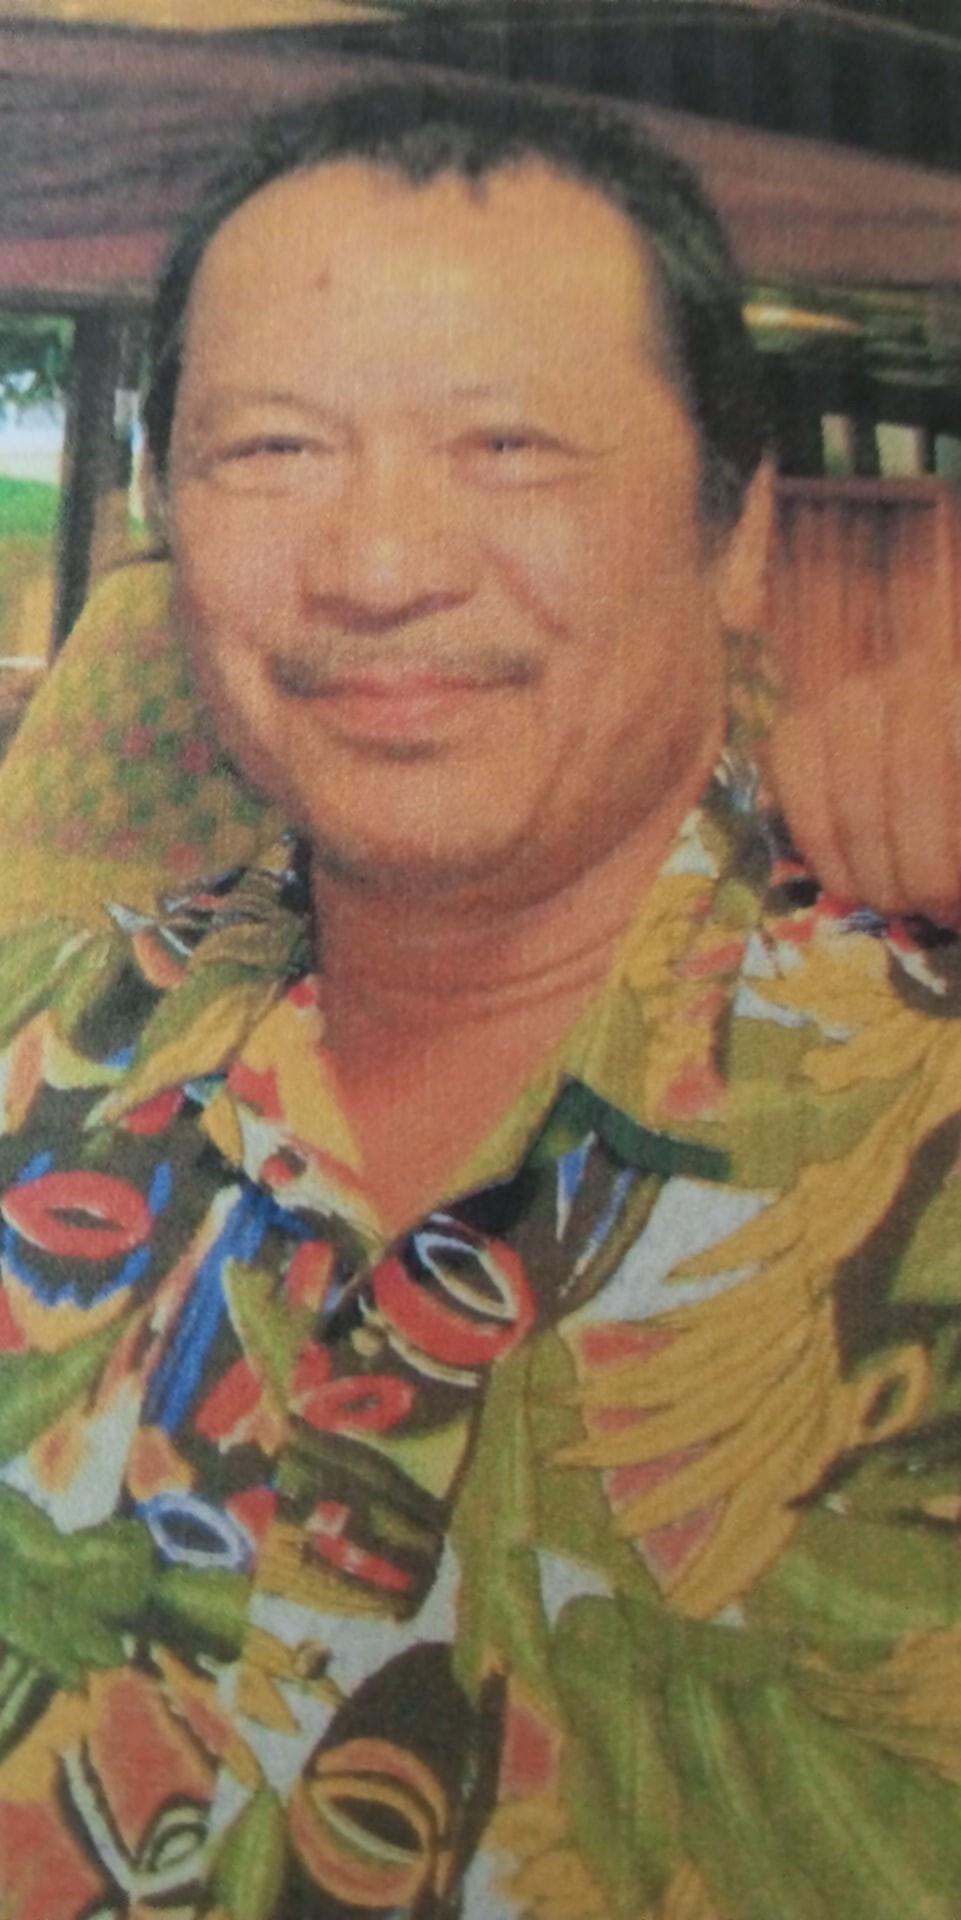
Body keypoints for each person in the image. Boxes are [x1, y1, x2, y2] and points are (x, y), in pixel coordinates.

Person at [0, 75, 959, 1920]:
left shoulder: (908, 1121)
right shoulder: (45, 1059)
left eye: (509, 448)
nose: (374, 569)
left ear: (737, 532)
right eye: (270, 452)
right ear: (163, 522)